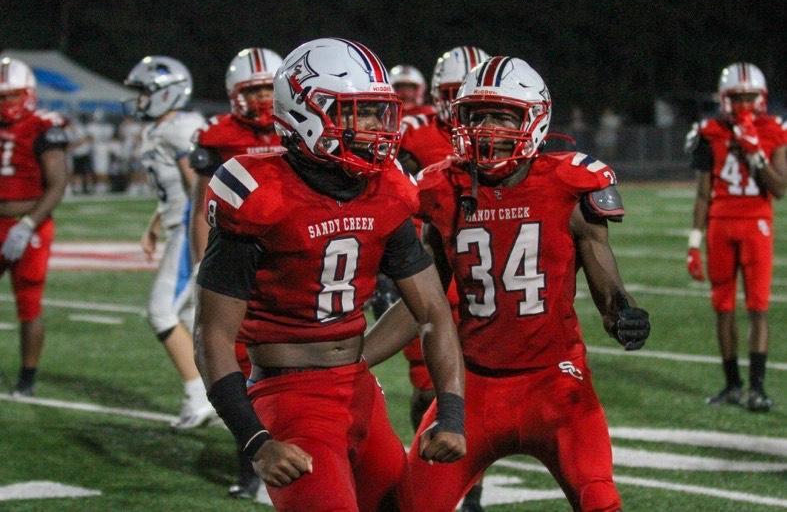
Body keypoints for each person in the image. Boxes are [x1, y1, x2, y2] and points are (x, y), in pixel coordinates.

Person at [365, 56, 651, 512]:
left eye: (502, 115)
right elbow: (425, 303)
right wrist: (354, 360)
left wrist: (624, 315)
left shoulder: (568, 184)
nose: (485, 128)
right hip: (472, 388)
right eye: (476, 115)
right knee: (409, 506)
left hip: (556, 384)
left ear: (534, 119)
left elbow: (607, 286)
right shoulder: (441, 190)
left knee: (601, 500)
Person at [193, 37, 466, 512]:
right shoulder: (258, 192)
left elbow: (431, 309)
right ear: (304, 111)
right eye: (354, 112)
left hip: (359, 389)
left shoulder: (387, 189)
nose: (372, 127)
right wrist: (256, 440)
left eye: (376, 112)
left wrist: (452, 412)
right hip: (289, 394)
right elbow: (212, 336)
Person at [396, 46, 489, 512]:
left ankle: (472, 492)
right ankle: (429, 466)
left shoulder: (506, 130)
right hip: (424, 271)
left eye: (464, 95)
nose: (457, 106)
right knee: (425, 386)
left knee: (478, 385)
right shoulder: (412, 133)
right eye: (450, 95)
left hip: (483, 278)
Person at [189, 46, 285, 500]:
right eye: (256, 89)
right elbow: (199, 210)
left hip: (291, 261)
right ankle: (249, 466)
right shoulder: (217, 135)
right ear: (233, 94)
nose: (265, 98)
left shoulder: (301, 131)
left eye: (271, 88)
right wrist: (199, 264)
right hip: (239, 261)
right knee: (239, 362)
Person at [686, 62, 787, 412]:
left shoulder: (773, 129)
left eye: (749, 96)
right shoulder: (709, 131)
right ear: (724, 98)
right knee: (723, 309)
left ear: (761, 98)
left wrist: (755, 152)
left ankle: (757, 388)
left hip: (756, 223)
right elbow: (703, 193)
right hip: (719, 225)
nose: (744, 102)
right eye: (737, 96)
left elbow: (779, 188)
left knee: (758, 308)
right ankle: (732, 385)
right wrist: (693, 244)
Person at [124, 56, 214, 428]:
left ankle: (199, 396)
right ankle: (219, 396)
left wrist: (198, 242)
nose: (140, 100)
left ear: (168, 94)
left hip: (189, 229)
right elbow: (175, 193)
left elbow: (200, 189)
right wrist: (154, 224)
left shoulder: (182, 130)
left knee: (161, 311)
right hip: (177, 225)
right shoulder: (162, 129)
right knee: (193, 321)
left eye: (145, 92)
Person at [0, 57, 69, 396]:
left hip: (29, 224)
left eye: (12, 96)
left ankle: (27, 379)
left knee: (28, 303)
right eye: (1, 97)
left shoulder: (44, 126)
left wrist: (27, 224)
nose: (6, 104)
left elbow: (58, 182)